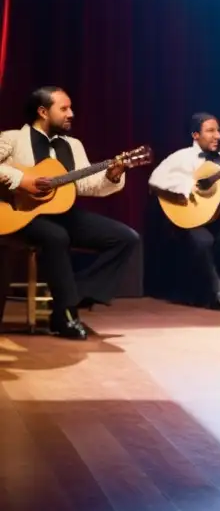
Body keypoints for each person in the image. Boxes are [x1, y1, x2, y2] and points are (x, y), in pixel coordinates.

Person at [0, 87, 139, 339]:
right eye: (64, 109)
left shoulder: (72, 145)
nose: (71, 114)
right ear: (43, 112)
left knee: (125, 238)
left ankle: (74, 295)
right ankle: (66, 315)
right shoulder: (12, 139)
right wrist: (22, 180)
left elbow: (86, 184)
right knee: (56, 237)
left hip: (62, 213)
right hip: (20, 213)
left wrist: (112, 175)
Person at [148, 113, 220, 312]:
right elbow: (154, 180)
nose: (217, 135)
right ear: (195, 135)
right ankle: (215, 292)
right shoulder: (181, 157)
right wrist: (190, 187)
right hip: (188, 220)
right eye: (210, 131)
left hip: (216, 219)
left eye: (218, 131)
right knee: (203, 240)